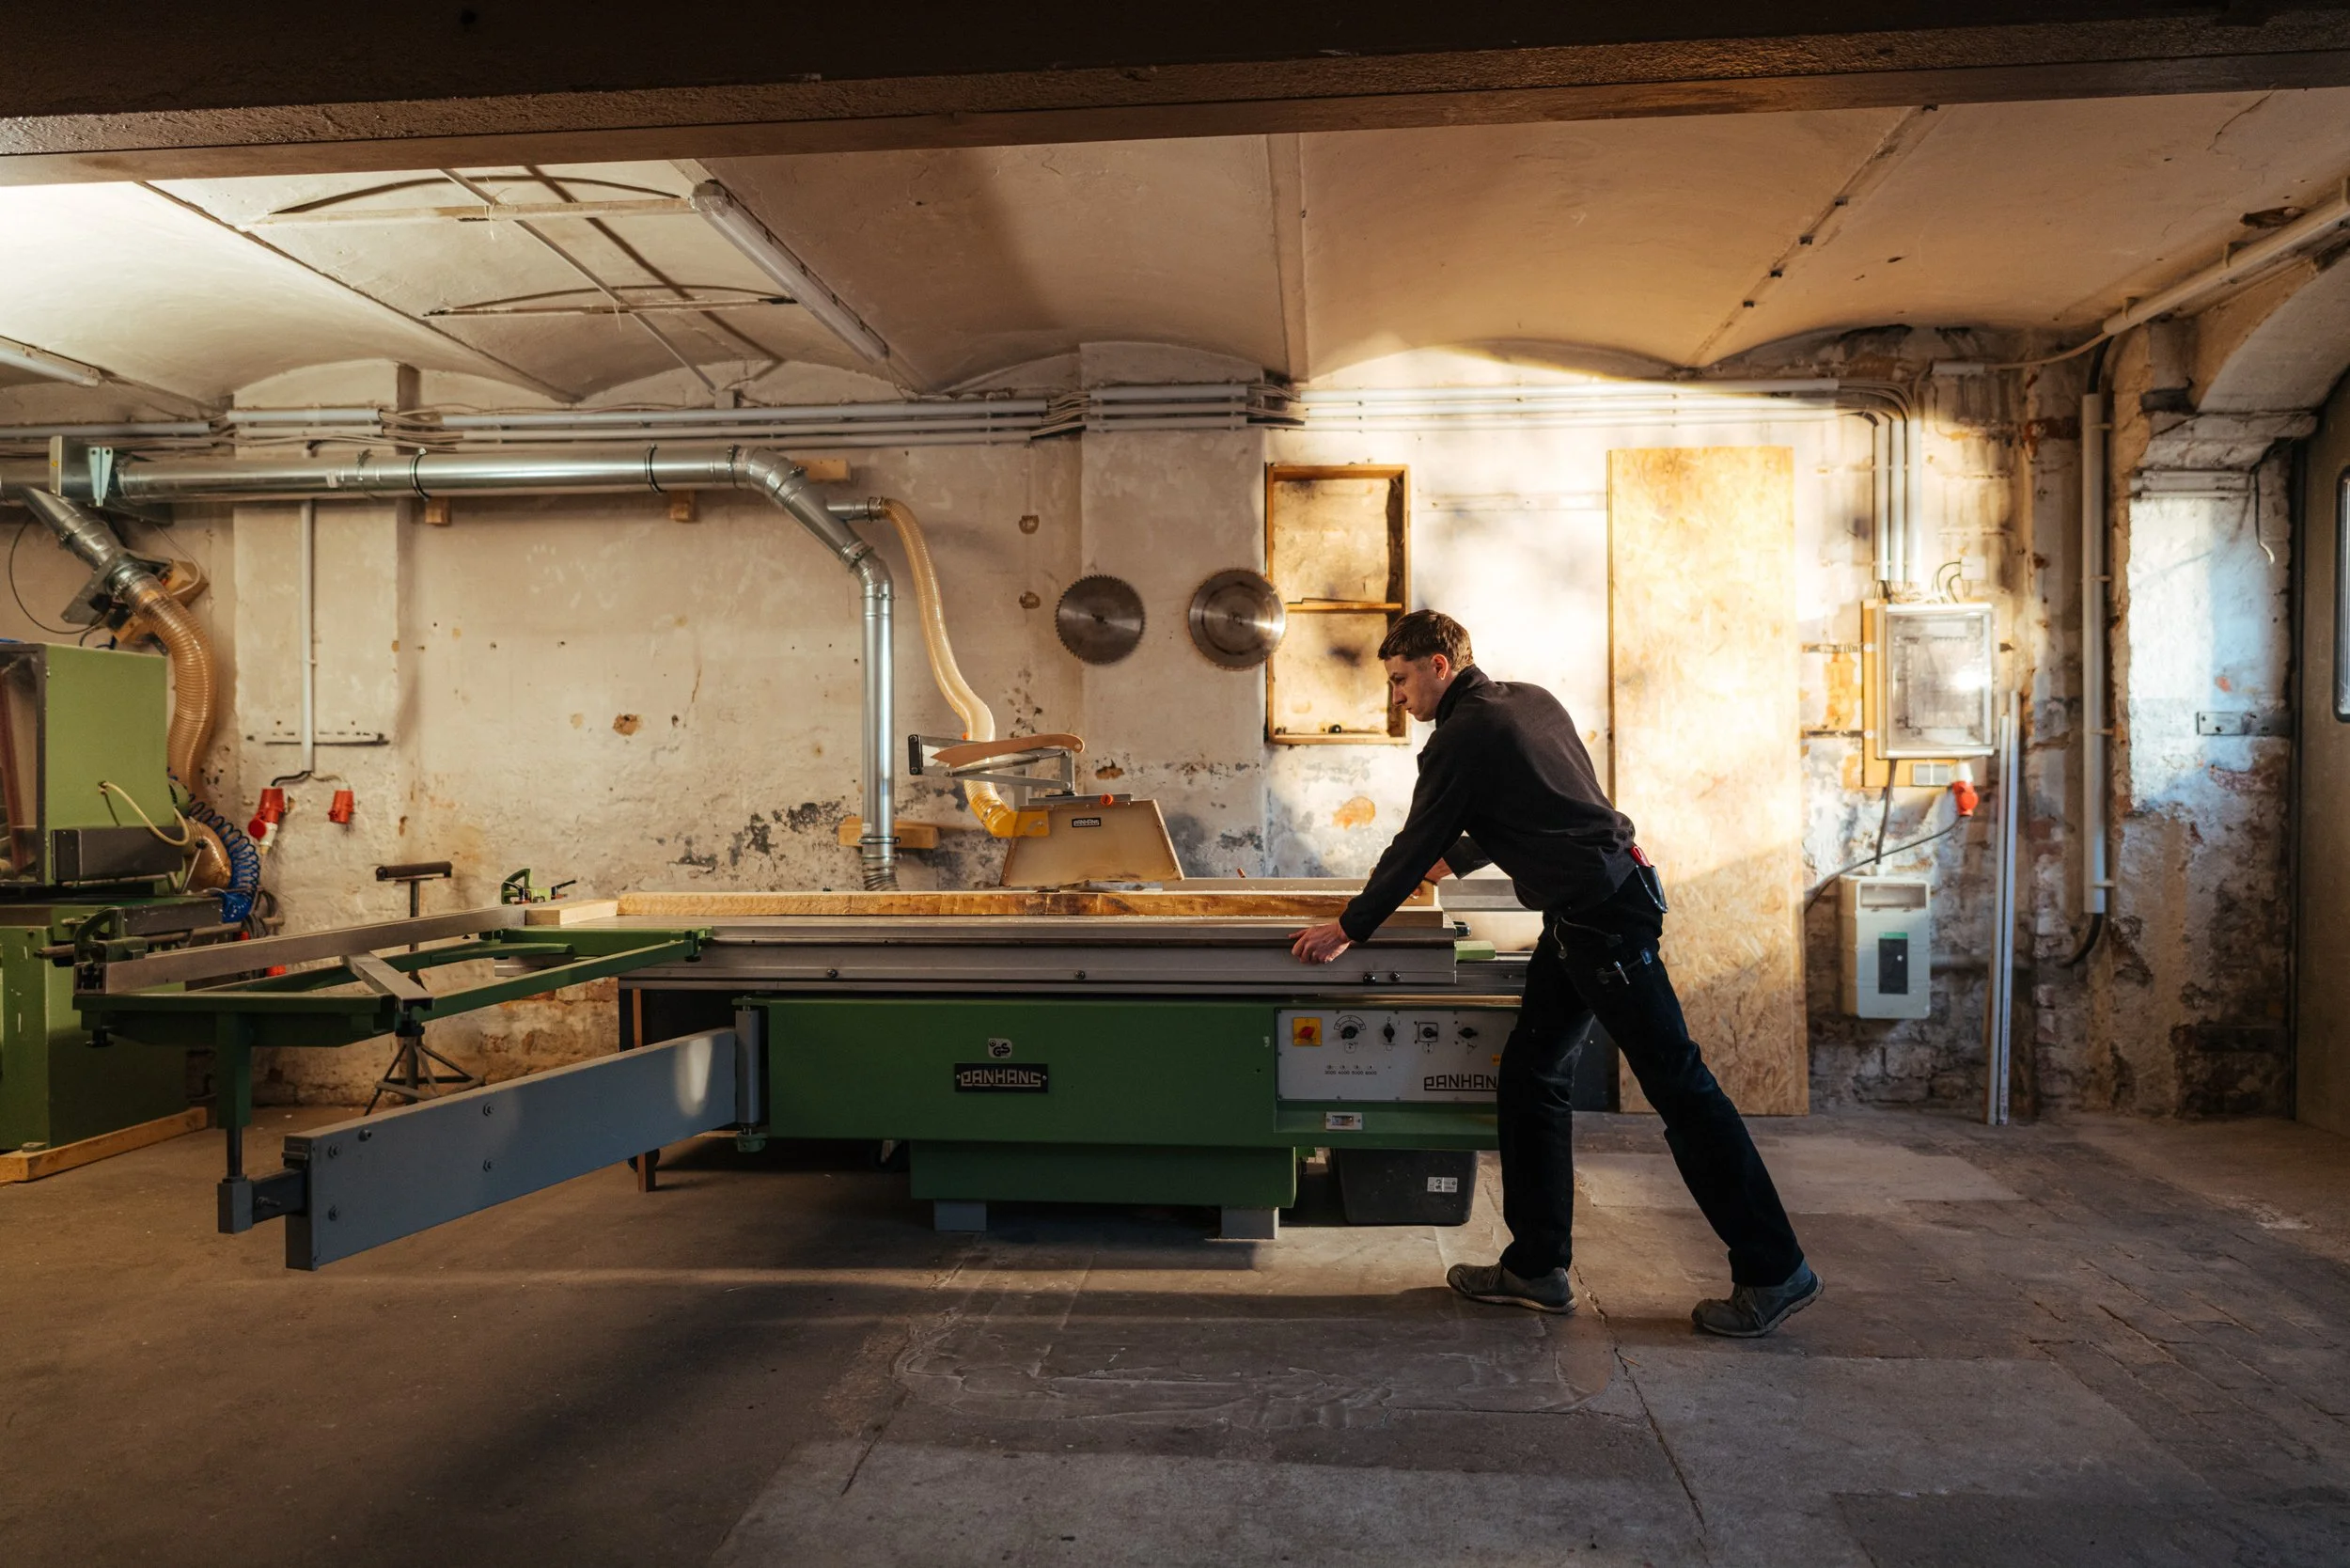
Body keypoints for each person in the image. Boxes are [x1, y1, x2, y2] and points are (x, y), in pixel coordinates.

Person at [1290, 610, 1821, 1338]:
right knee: (1531, 1072)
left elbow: (1417, 839)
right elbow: (1538, 804)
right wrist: (1460, 858)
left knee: (1681, 1088)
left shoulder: (1460, 736)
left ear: (1440, 665)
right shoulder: (1528, 701)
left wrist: (1349, 928)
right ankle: (1536, 1266)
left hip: (1602, 923)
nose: (1397, 698)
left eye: (1402, 679)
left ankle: (1774, 1267)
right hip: (1588, 915)